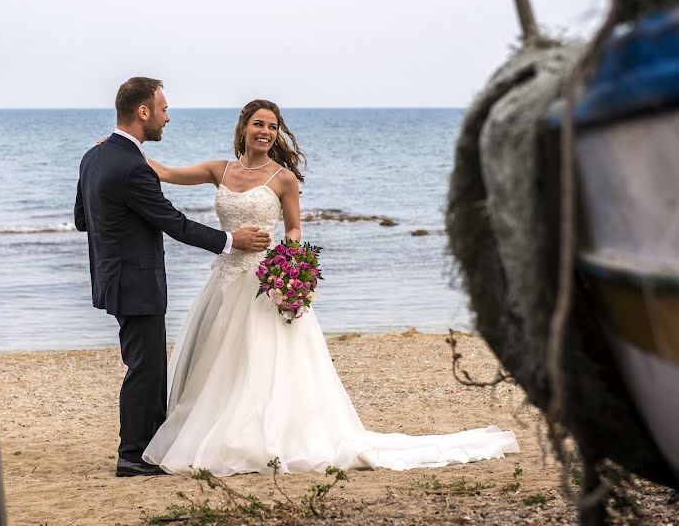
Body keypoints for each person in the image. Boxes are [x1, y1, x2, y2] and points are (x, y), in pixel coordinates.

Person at [140, 99, 520, 475]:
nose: (265, 132)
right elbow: (166, 172)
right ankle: (209, 427)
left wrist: (287, 267)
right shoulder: (218, 169)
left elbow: (293, 230)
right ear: (243, 128)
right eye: (259, 124)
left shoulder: (283, 178)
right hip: (224, 278)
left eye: (272, 127)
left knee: (263, 361)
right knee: (217, 358)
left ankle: (263, 435)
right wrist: (127, 145)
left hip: (265, 281)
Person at [73, 78, 272, 478]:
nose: (167, 117)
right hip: (137, 281)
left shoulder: (93, 157)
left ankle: (148, 447)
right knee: (145, 367)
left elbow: (83, 220)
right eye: (163, 109)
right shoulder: (130, 166)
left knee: (143, 364)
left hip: (111, 278)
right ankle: (132, 454)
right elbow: (172, 222)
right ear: (143, 112)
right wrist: (231, 240)